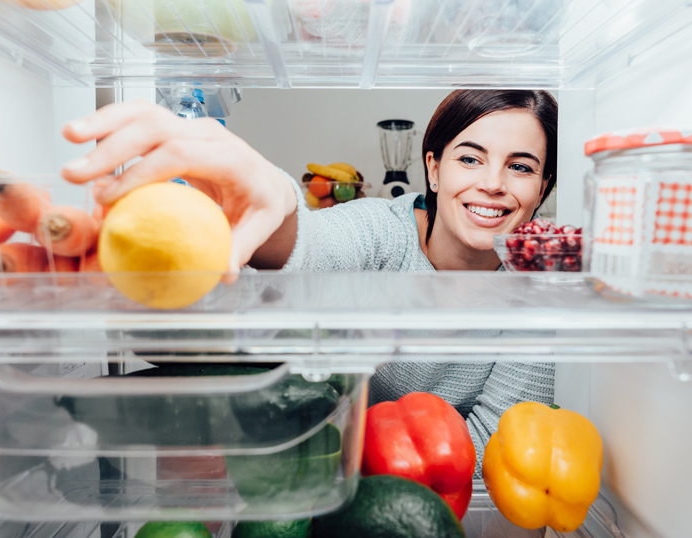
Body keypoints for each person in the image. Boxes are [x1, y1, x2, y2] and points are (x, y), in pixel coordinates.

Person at [61, 89, 557, 475]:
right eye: (470, 158)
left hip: (428, 493)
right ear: (432, 168)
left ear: (542, 190)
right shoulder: (383, 229)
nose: (493, 182)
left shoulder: (538, 290)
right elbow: (313, 246)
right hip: (317, 469)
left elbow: (503, 442)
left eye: (520, 167)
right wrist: (273, 198)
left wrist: (380, 465)